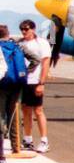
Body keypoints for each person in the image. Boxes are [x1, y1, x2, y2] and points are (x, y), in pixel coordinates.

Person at [17, 19, 51, 153]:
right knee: (25, 111)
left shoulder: (42, 43)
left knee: (38, 111)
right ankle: (28, 139)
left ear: (33, 29)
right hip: (23, 81)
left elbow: (46, 63)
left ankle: (44, 141)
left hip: (35, 81)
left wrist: (41, 83)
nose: (24, 31)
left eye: (26, 29)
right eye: (22, 29)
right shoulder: (20, 43)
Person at [0, 24, 25, 163]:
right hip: (16, 85)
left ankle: (1, 157)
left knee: (1, 119)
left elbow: (2, 68)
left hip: (1, 87)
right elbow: (35, 59)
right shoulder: (16, 46)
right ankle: (17, 146)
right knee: (14, 116)